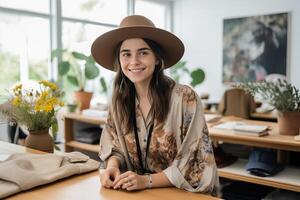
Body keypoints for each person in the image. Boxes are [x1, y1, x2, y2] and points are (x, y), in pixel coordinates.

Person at [91, 15, 219, 196]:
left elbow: (195, 163)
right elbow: (116, 147)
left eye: (143, 52)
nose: (134, 61)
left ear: (157, 59)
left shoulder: (184, 98)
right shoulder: (118, 101)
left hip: (181, 194)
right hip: (135, 192)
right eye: (126, 54)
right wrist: (112, 166)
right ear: (120, 60)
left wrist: (146, 181)